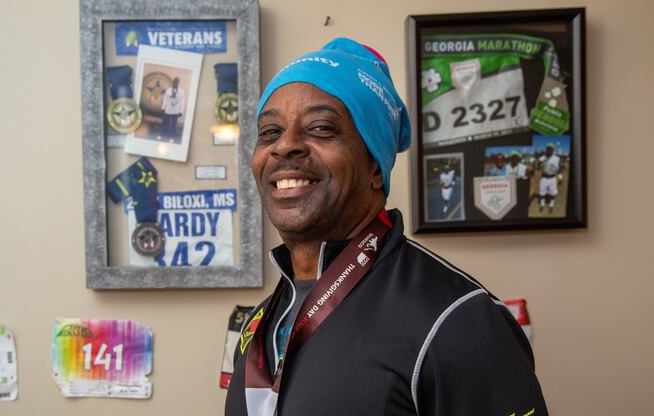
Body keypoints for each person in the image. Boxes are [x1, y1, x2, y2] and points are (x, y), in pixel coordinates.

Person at [225, 38, 547, 415]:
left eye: (321, 128)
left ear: (375, 166)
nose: (285, 146)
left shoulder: (459, 320)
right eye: (269, 132)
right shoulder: (260, 324)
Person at [536, 143, 563, 213]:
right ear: (546, 149)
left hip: (552, 178)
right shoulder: (542, 158)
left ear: (553, 150)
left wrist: (560, 178)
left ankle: (551, 205)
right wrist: (538, 166)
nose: (549, 150)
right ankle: (542, 205)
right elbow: (538, 166)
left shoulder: (557, 159)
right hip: (544, 178)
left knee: (552, 193)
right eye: (548, 148)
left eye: (550, 148)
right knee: (542, 193)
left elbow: (560, 169)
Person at [160, 77, 185, 142]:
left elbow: (182, 102)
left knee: (173, 125)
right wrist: (163, 108)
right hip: (167, 109)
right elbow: (165, 99)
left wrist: (181, 111)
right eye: (174, 83)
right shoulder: (168, 90)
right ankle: (162, 134)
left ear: (178, 84)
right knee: (164, 123)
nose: (175, 84)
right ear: (172, 83)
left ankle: (172, 137)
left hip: (175, 110)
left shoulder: (181, 92)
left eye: (176, 83)